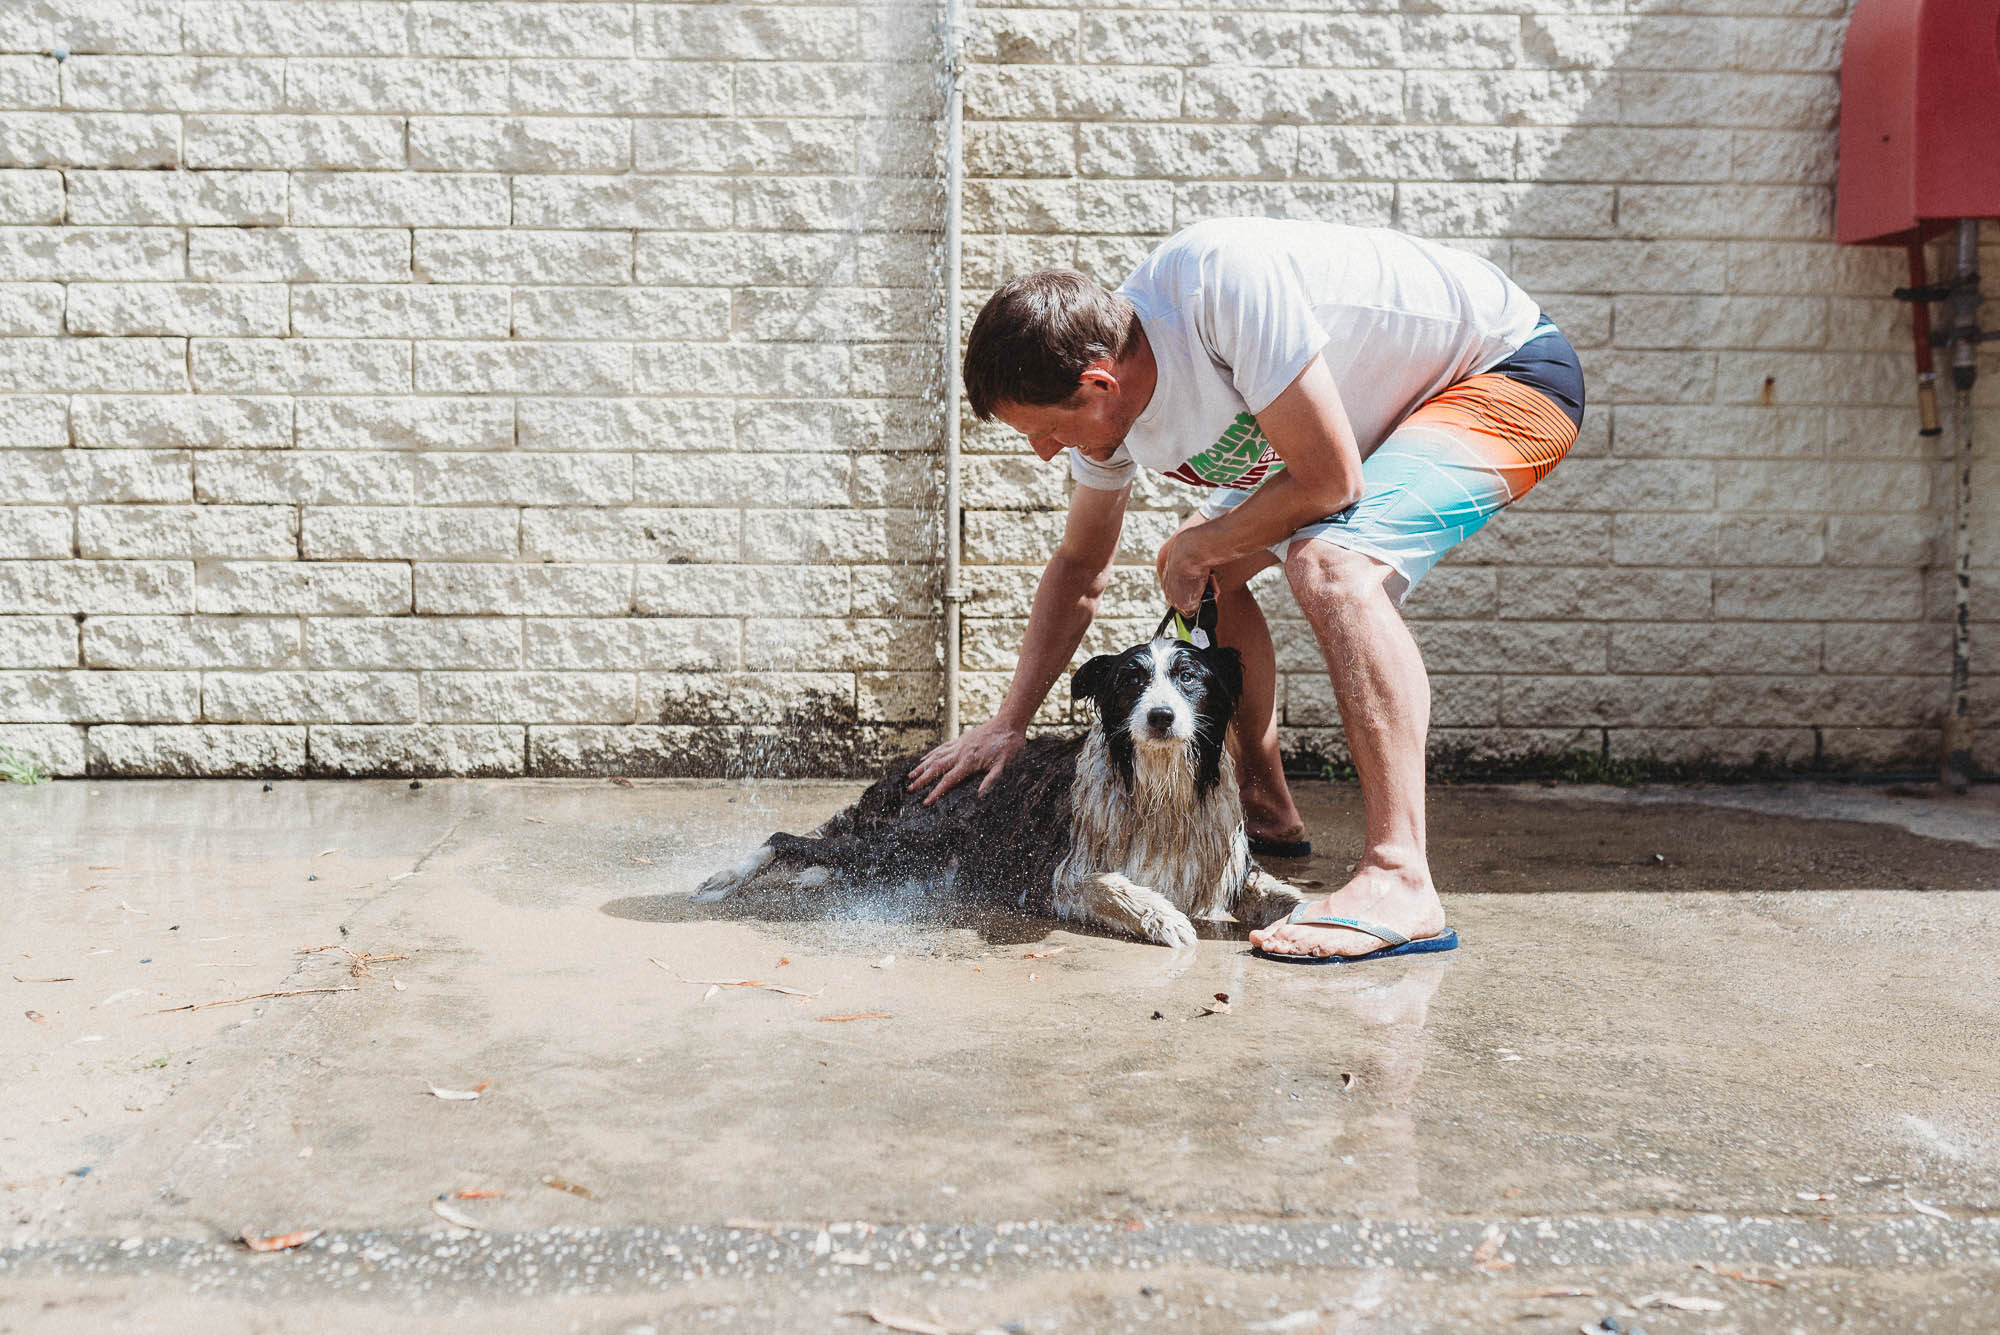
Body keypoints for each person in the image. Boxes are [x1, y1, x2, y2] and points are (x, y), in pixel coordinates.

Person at [906, 218, 1584, 962]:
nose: (1042, 452)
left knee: (1330, 564)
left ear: (1099, 384)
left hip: (1506, 374)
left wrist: (1201, 541)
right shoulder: (1111, 413)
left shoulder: (1216, 287)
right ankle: (1264, 807)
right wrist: (1009, 722)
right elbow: (1080, 566)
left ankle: (1401, 878)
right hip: (1376, 427)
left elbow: (1330, 479)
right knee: (1207, 567)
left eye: (1043, 431)